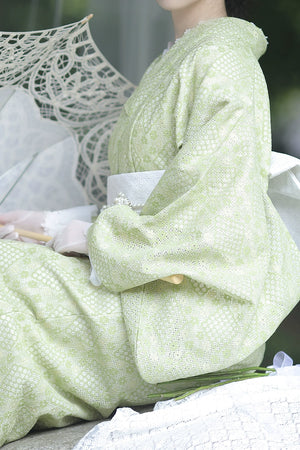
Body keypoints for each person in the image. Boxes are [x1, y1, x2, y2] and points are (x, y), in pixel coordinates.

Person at [0, 0, 300, 445]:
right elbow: (150, 201)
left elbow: (215, 216)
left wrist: (92, 239)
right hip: (143, 277)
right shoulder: (178, 56)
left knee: (8, 282)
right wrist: (48, 222)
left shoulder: (224, 60)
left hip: (183, 310)